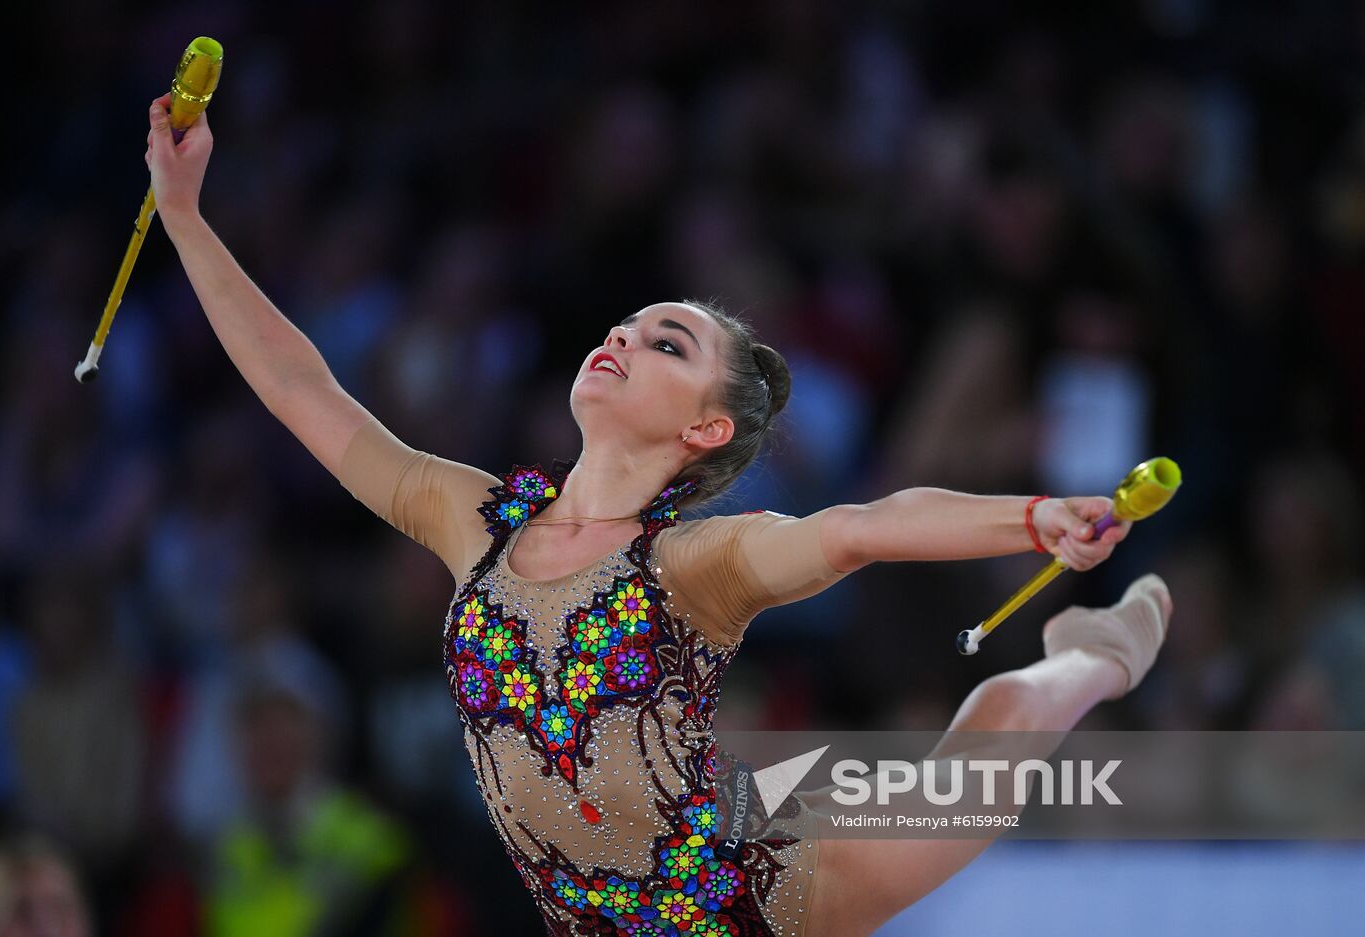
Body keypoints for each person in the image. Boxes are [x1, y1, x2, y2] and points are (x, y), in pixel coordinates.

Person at [143, 92, 1167, 936]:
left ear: (705, 431)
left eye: (665, 345)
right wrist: (186, 219)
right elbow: (299, 389)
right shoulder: (473, 520)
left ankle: (1089, 656)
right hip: (598, 913)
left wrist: (1033, 517)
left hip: (760, 900)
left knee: (991, 733)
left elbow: (864, 523)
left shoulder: (693, 564)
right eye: (627, 327)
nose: (624, 340)